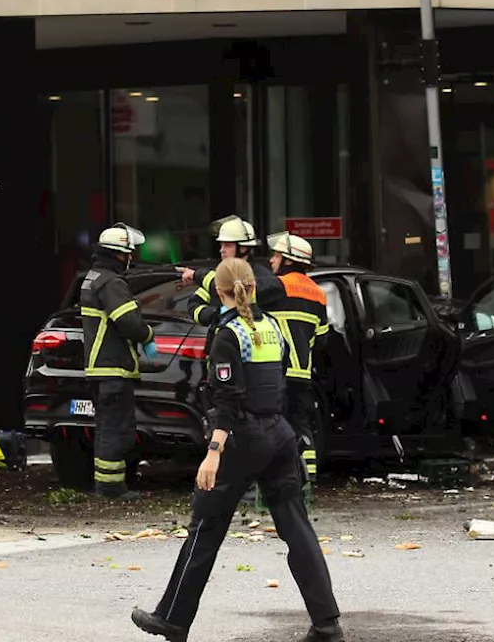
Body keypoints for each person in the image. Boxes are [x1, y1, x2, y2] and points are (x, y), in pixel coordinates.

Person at [131, 257, 343, 642]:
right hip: (279, 433)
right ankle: (327, 623)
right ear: (254, 287)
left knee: (205, 529)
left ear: (219, 291)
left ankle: (173, 619)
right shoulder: (271, 327)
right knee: (297, 529)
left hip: (242, 437)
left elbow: (227, 399)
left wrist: (214, 451)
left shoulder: (228, 333)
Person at [80, 223, 156, 501]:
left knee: (106, 427)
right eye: (129, 254)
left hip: (100, 368)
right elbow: (129, 322)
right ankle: (111, 488)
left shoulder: (93, 277)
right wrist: (147, 335)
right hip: (113, 368)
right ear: (119, 255)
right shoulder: (112, 282)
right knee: (117, 429)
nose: (131, 259)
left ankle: (105, 486)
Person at [264, 232, 329, 488]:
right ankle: (308, 478)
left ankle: (278, 479)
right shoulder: (319, 294)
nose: (271, 261)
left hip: (276, 372)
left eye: (276, 255)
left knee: (273, 426)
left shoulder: (276, 286)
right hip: (302, 374)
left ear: (288, 260)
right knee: (301, 426)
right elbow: (322, 339)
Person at [178, 215, 283, 330]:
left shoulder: (264, 277)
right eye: (221, 245)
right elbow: (194, 304)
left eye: (227, 245)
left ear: (243, 248)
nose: (221, 250)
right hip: (222, 340)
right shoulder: (219, 274)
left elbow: (231, 287)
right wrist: (215, 314)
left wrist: (196, 275)